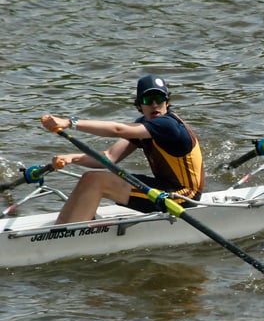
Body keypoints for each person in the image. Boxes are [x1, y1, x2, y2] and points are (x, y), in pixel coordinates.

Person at [40, 74, 205, 224]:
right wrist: (71, 158)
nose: (155, 105)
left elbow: (117, 129)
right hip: (165, 187)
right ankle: (59, 229)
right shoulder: (144, 126)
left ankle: (71, 238)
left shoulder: (167, 125)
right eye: (148, 100)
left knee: (97, 182)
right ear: (140, 105)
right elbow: (109, 157)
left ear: (167, 103)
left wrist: (69, 123)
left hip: (184, 196)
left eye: (159, 99)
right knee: (89, 178)